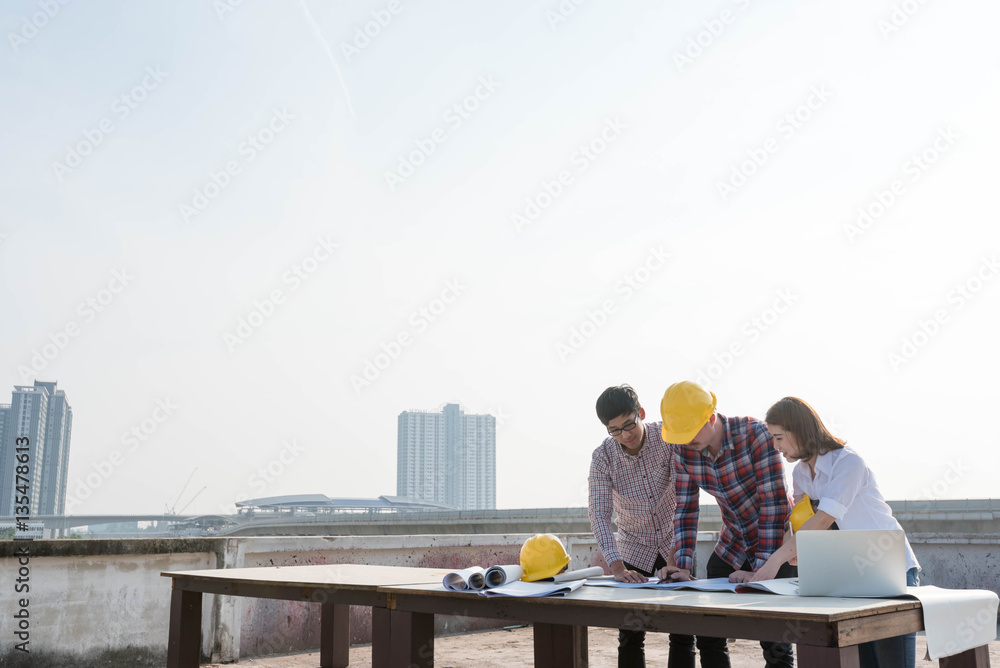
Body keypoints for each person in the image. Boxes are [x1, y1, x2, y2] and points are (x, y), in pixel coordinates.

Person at [752, 396, 920, 668]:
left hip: (891, 570)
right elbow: (800, 522)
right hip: (853, 576)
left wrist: (777, 559)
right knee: (865, 663)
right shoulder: (800, 474)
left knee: (894, 664)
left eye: (779, 437)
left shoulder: (847, 463)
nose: (776, 446)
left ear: (799, 430)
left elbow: (822, 520)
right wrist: (799, 554)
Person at [659, 381, 794, 668]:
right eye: (679, 436)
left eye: (689, 433)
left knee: (775, 640)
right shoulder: (684, 451)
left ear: (710, 418)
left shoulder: (756, 435)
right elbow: (685, 509)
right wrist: (682, 564)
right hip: (732, 544)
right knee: (709, 628)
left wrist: (760, 570)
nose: (685, 442)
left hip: (776, 547)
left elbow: (774, 505)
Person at [589, 384, 685, 668]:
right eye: (614, 430)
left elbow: (685, 500)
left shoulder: (668, 438)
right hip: (633, 547)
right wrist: (618, 569)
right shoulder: (603, 457)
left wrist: (675, 556)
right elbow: (599, 515)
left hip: (674, 541)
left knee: (684, 631)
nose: (625, 435)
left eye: (629, 425)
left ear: (641, 413)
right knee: (631, 635)